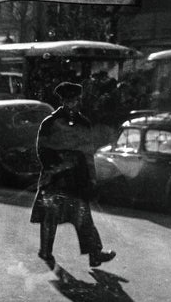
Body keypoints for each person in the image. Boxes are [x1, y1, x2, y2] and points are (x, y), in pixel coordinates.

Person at [30, 81, 116, 269]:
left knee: (84, 216)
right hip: (54, 178)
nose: (73, 103)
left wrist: (92, 177)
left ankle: (95, 254)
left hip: (77, 178)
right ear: (62, 100)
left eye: (76, 100)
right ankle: (45, 251)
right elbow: (41, 150)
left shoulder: (84, 123)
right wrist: (58, 165)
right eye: (69, 100)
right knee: (49, 216)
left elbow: (88, 153)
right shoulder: (50, 122)